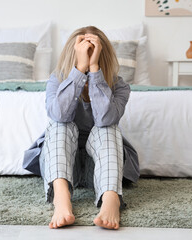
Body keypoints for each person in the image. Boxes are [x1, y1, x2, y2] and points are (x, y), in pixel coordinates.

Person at [23, 26, 140, 230]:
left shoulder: (119, 86)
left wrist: (94, 70)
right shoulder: (57, 80)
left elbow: (105, 118)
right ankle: (61, 199)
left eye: (92, 54)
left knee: (108, 127)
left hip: (102, 168)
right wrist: (79, 71)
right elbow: (59, 115)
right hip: (65, 167)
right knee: (60, 124)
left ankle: (111, 199)